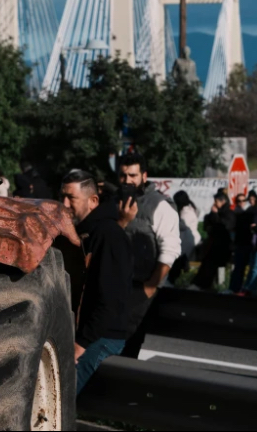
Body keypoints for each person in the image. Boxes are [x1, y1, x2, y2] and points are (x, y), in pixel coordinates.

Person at [60, 170, 133, 393]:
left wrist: (79, 345)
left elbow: (110, 299)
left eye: (71, 198)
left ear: (93, 201)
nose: (63, 203)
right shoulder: (80, 233)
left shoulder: (108, 235)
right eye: (62, 196)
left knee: (61, 396)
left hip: (100, 337)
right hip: (82, 333)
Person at [116, 152, 181, 358]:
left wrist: (150, 287)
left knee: (125, 347)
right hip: (114, 284)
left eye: (133, 175)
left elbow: (170, 250)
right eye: (123, 175)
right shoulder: (115, 201)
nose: (128, 181)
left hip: (139, 287)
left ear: (144, 176)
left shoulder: (159, 205)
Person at [191, 190, 234, 291]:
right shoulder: (215, 214)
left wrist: (215, 216)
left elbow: (223, 226)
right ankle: (201, 284)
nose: (214, 204)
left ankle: (202, 284)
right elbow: (208, 226)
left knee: (210, 264)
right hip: (213, 245)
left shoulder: (228, 214)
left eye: (216, 201)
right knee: (207, 264)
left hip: (223, 246)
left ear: (223, 201)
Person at [168, 190, 200, 283]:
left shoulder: (186, 212)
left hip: (188, 239)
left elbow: (182, 225)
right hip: (189, 238)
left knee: (182, 260)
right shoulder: (190, 209)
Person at [229, 193, 256, 292]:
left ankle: (239, 288)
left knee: (242, 268)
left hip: (246, 243)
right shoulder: (236, 213)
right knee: (239, 267)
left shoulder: (248, 212)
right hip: (241, 243)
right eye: (239, 201)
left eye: (243, 201)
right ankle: (237, 288)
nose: (241, 203)